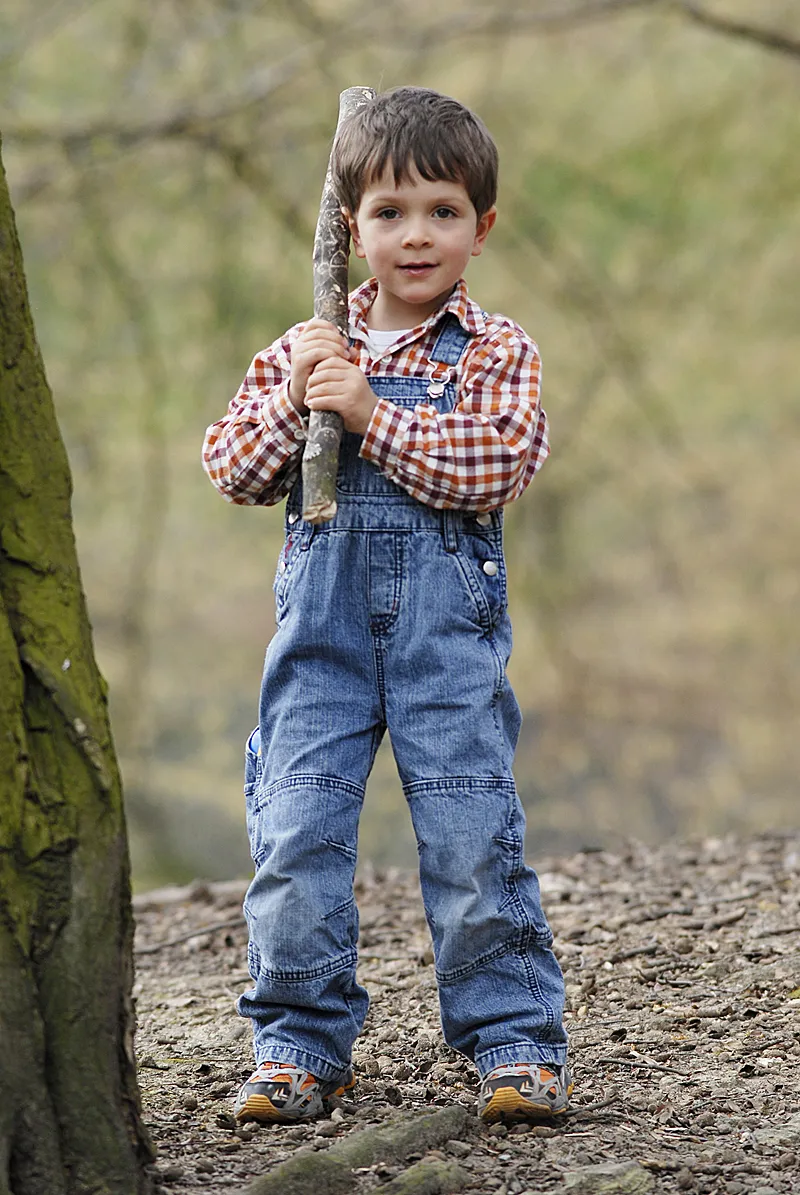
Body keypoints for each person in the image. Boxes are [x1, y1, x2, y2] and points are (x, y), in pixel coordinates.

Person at [202, 86, 570, 1127]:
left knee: (469, 836)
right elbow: (229, 468)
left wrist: (367, 412)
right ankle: (298, 1043)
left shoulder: (495, 352)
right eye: (389, 213)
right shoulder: (306, 346)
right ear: (346, 225)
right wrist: (295, 400)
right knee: (296, 835)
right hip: (316, 646)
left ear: (480, 228)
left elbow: (493, 465)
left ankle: (511, 1040)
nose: (416, 236)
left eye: (442, 212)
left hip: (443, 647)